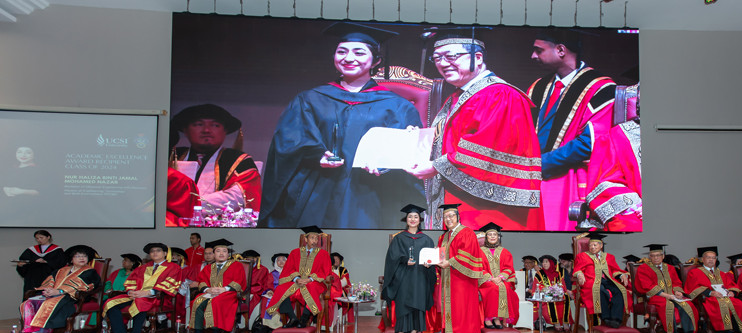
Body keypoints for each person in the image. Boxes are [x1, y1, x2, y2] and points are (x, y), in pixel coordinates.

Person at [259, 22, 424, 229]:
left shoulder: (396, 105)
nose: (349, 58)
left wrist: (385, 165)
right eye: (342, 51)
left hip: (371, 193)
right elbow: (288, 141)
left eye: (359, 52)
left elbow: (407, 152)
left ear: (376, 60)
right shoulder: (310, 99)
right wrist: (316, 155)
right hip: (318, 190)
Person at [406, 30, 542, 231]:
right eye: (437, 58)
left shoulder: (498, 95)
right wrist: (415, 140)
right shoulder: (462, 95)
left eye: (451, 56)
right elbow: (449, 139)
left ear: (477, 58)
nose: (443, 63)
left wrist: (436, 166)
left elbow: (485, 150)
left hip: (486, 211)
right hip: (460, 201)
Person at [528, 29, 640, 231]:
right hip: (531, 179)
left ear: (561, 50)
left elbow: (590, 143)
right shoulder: (537, 87)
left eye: (538, 50)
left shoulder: (601, 88)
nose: (533, 56)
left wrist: (540, 164)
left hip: (567, 180)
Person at [171, 103, 262, 215]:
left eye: (215, 125)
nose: (207, 130)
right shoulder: (171, 156)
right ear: (185, 130)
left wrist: (183, 204)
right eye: (199, 124)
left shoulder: (239, 160)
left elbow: (237, 198)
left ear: (225, 131)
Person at [20, 245, 101, 333]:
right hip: (54, 294)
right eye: (78, 256)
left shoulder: (90, 271)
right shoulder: (62, 270)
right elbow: (50, 281)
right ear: (71, 259)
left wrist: (60, 291)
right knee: (29, 302)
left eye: (84, 256)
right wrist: (48, 290)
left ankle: (37, 332)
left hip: (73, 297)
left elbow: (83, 285)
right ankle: (38, 332)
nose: (82, 258)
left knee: (50, 303)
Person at [382, 204, 437, 333]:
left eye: (416, 217)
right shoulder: (399, 238)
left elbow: (433, 262)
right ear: (406, 220)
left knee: (418, 309)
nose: (413, 219)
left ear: (420, 220)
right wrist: (404, 260)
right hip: (403, 278)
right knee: (403, 308)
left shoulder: (427, 240)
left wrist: (429, 264)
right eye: (410, 217)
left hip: (420, 278)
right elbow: (391, 259)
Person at [103, 243, 181, 333]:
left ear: (165, 253)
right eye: (152, 251)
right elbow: (131, 281)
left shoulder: (173, 267)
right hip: (136, 295)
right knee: (110, 303)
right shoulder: (143, 267)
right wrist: (130, 291)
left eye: (158, 250)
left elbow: (171, 284)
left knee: (141, 302)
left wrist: (148, 292)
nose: (154, 253)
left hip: (158, 298)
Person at [433, 204, 483, 333]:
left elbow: (466, 255)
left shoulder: (467, 232)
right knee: (452, 311)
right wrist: (435, 256)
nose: (448, 219)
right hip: (449, 279)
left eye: (451, 216)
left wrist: (449, 262)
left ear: (458, 217)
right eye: (445, 217)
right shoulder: (444, 236)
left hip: (463, 279)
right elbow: (442, 254)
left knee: (462, 311)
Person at [265, 226, 331, 328]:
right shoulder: (295, 253)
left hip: (315, 282)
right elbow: (289, 269)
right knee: (281, 288)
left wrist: (310, 279)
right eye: (312, 238)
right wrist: (297, 279)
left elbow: (325, 271)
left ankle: (304, 319)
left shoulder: (323, 254)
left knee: (311, 287)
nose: (315, 241)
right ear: (306, 239)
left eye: (316, 238)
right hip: (297, 282)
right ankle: (293, 318)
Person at [634, 244, 698, 333]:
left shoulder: (670, 268)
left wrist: (677, 291)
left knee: (687, 305)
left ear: (663, 256)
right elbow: (648, 286)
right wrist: (666, 295)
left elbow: (676, 282)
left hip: (672, 295)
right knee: (668, 305)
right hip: (656, 297)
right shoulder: (644, 268)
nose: (656, 258)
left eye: (658, 255)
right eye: (653, 255)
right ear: (649, 257)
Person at [685, 247, 742, 333]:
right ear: (702, 259)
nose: (711, 260)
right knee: (721, 306)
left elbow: (732, 285)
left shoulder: (721, 273)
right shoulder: (694, 272)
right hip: (709, 299)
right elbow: (692, 288)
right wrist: (710, 293)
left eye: (713, 258)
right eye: (708, 257)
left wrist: (732, 292)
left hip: (726, 297)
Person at [572, 233, 630, 328]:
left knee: (620, 291)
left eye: (595, 245)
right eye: (590, 245)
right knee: (600, 291)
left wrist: (621, 274)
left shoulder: (609, 256)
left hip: (608, 280)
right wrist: (580, 274)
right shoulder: (582, 256)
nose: (592, 247)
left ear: (601, 245)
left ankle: (616, 319)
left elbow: (614, 269)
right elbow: (577, 269)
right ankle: (605, 317)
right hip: (591, 281)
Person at [189, 239, 246, 333]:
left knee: (216, 301)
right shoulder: (208, 267)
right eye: (218, 251)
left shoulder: (236, 265)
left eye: (224, 251)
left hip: (229, 293)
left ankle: (216, 332)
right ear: (214, 254)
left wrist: (224, 289)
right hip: (210, 292)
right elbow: (201, 282)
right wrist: (208, 289)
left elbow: (239, 282)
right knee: (196, 302)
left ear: (228, 254)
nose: (221, 254)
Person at [477, 222, 519, 329]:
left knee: (504, 288)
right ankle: (488, 318)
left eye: (494, 235)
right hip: (485, 280)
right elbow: (478, 267)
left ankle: (498, 318)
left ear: (498, 237)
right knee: (492, 288)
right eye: (490, 235)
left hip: (501, 280)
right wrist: (491, 278)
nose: (492, 237)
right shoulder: (480, 252)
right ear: (486, 237)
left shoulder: (505, 252)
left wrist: (500, 278)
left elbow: (509, 268)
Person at [16, 230, 65, 300]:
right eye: (37, 238)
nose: (39, 240)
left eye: (41, 237)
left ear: (48, 237)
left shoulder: (57, 250)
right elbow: (24, 263)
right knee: (30, 298)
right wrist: (20, 265)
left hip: (48, 278)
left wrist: (46, 262)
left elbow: (61, 264)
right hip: (32, 279)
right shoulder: (31, 250)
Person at [532, 255, 572, 331]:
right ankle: (556, 322)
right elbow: (536, 286)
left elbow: (563, 285)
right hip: (545, 297)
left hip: (556, 295)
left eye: (546, 262)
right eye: (543, 262)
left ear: (551, 263)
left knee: (565, 296)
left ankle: (565, 321)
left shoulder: (558, 274)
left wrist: (558, 290)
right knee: (550, 297)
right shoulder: (539, 274)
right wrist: (546, 289)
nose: (544, 264)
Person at [243, 250, 274, 329]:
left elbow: (261, 285)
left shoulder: (263, 269)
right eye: (246, 259)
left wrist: (249, 291)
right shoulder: (242, 268)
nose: (248, 261)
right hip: (243, 291)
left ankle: (246, 324)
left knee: (249, 300)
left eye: (251, 259)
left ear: (256, 259)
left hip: (255, 292)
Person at [332, 252, 354, 322]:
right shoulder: (327, 269)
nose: (335, 260)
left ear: (340, 261)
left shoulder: (343, 270)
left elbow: (345, 281)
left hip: (341, 289)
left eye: (337, 259)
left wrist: (335, 285)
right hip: (330, 290)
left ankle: (338, 317)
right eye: (334, 259)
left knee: (343, 296)